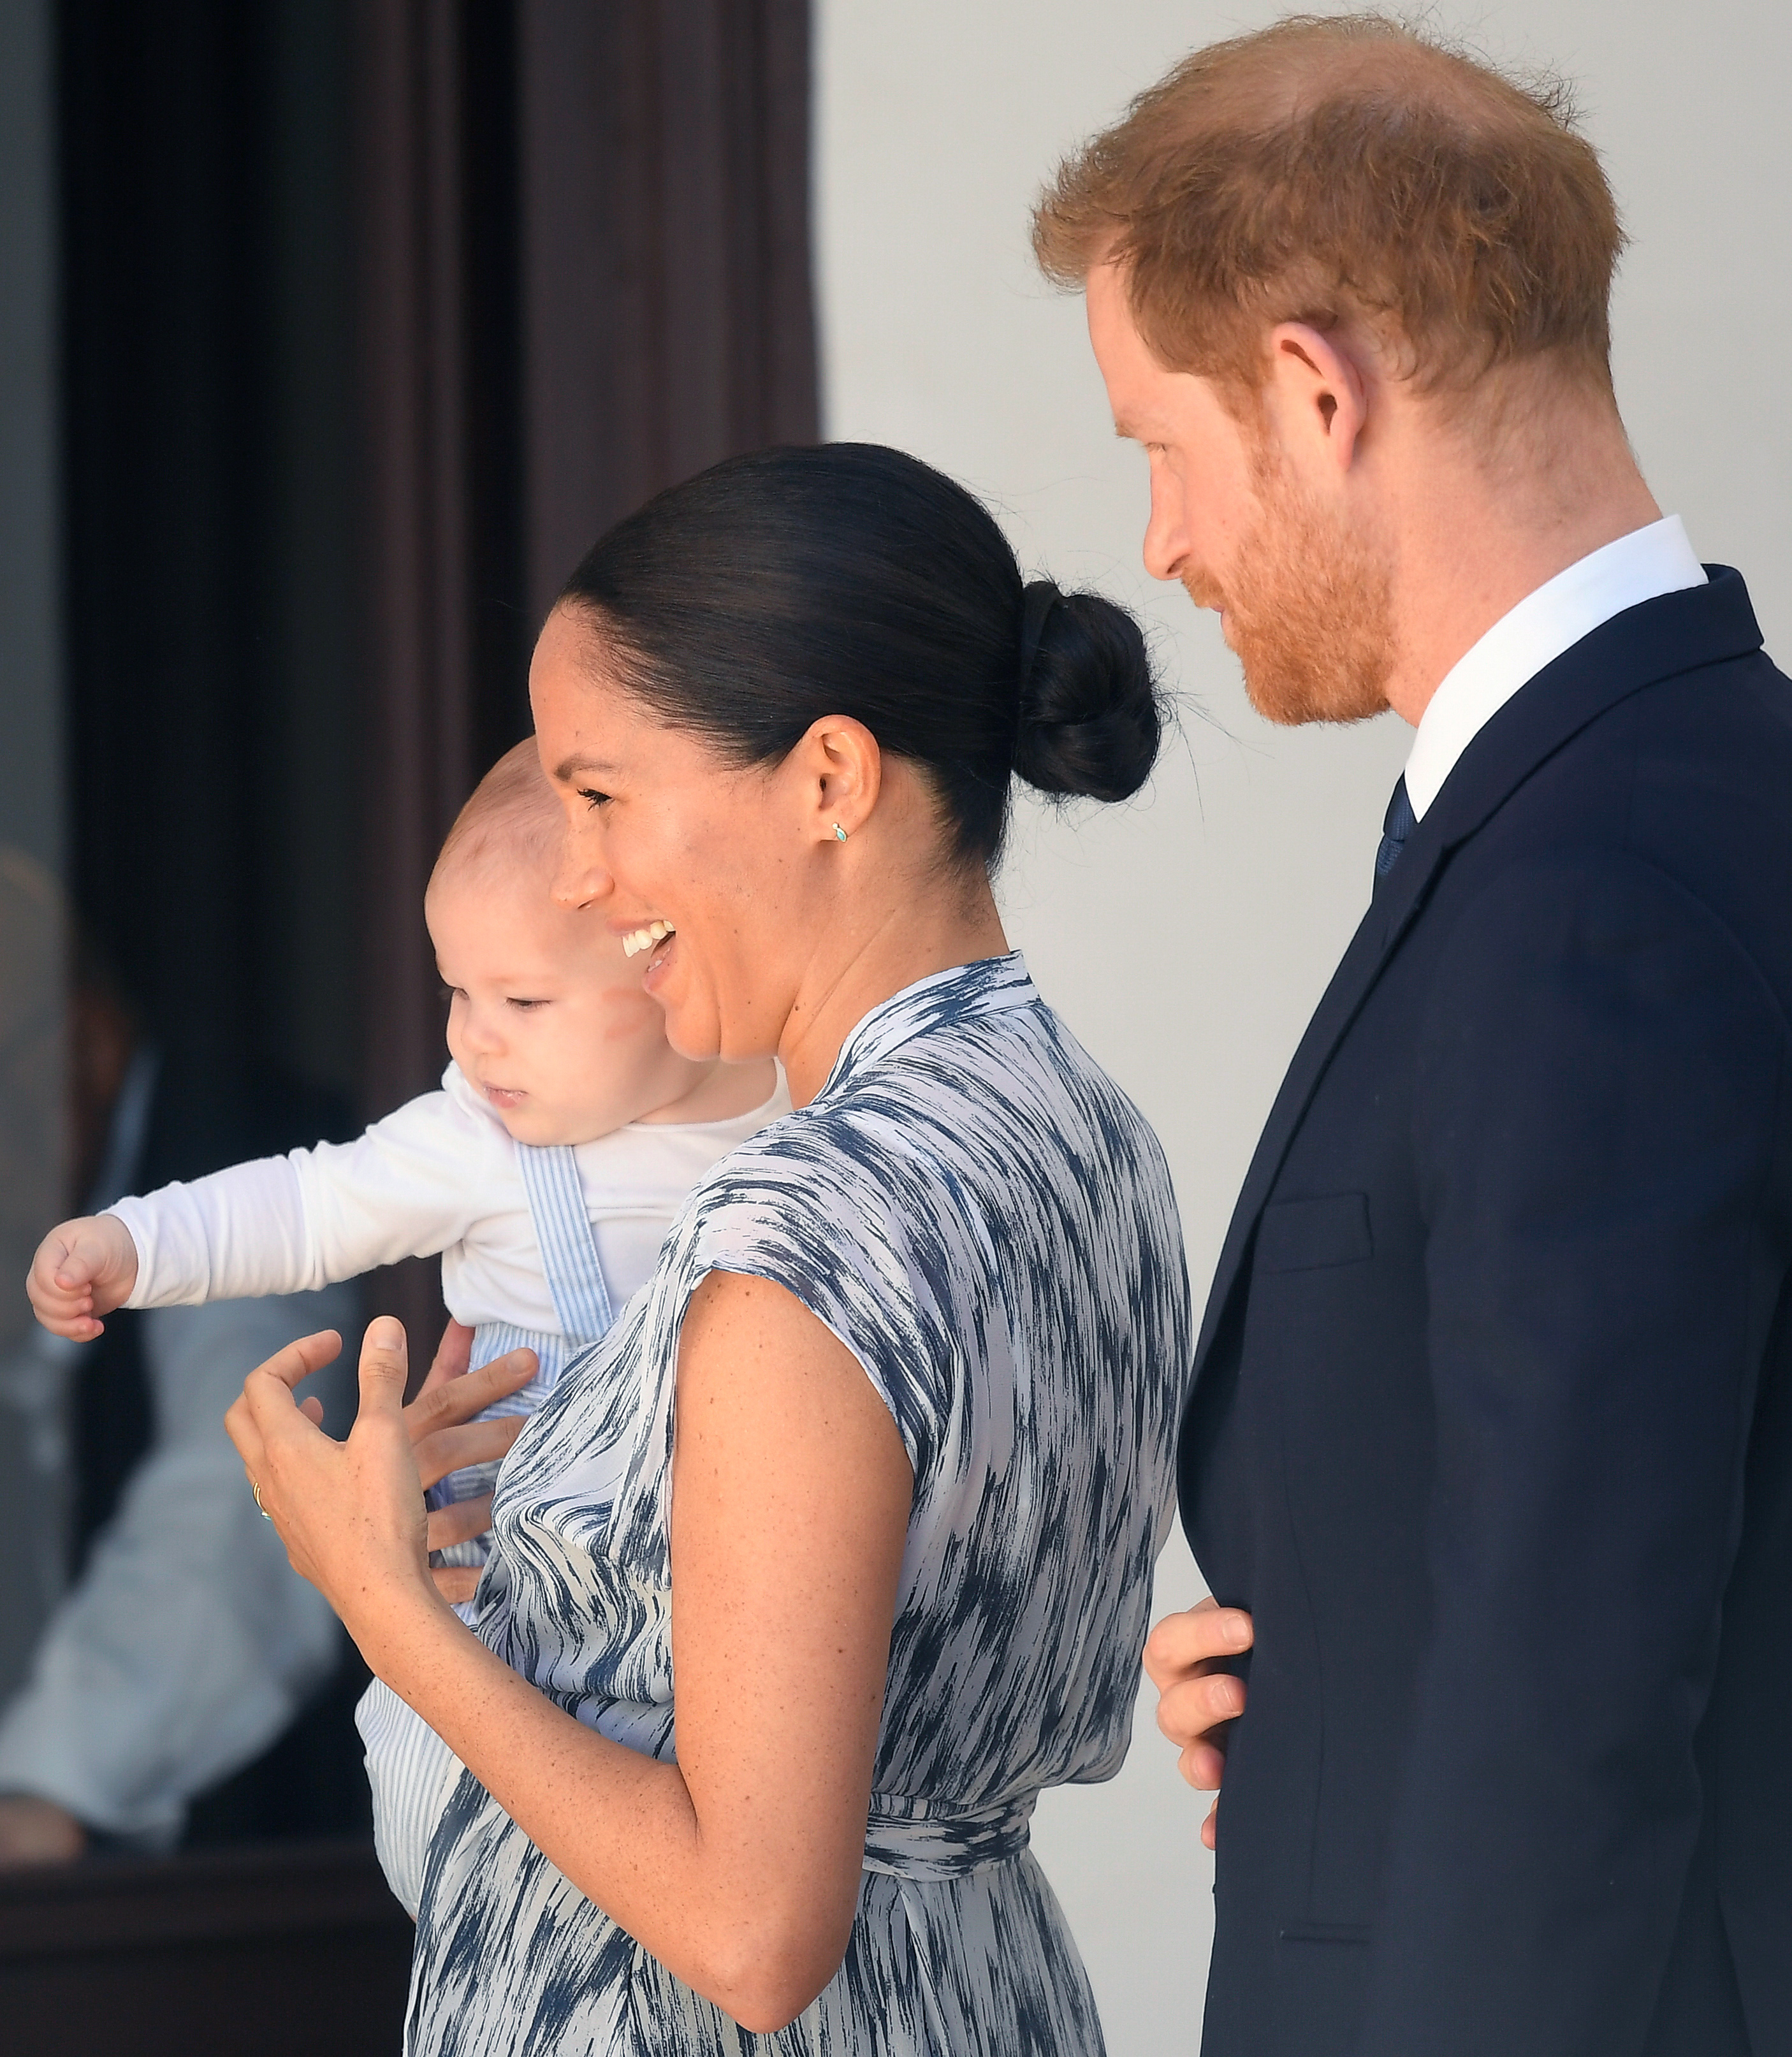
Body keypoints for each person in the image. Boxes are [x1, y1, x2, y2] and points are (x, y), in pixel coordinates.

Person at [226, 440, 1192, 2051]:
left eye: (600, 794)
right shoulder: (1088, 1134)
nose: (586, 881)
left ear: (828, 778)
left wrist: (377, 1590)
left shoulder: (804, 1223)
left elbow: (752, 1932)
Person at [1034, 15, 1792, 2056]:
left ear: (1310, 386)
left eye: (1156, 449)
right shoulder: (1656, 798)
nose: (1164, 542)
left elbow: (1572, 1695)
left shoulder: (1598, 887)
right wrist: (1333, 1701)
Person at [27, 740, 785, 1905]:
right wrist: (132, 1246)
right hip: (518, 1624)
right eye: (457, 992)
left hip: (726, 1618)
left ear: (666, 959)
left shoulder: (795, 1116)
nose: (471, 1040)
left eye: (522, 999)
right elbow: (307, 1203)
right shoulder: (477, 1140)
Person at [0, 901, 360, 1863]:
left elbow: (245, 1480)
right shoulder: (57, 1202)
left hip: (298, 1891)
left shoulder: (238, 1158)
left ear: (86, 1042)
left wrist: (45, 1788)